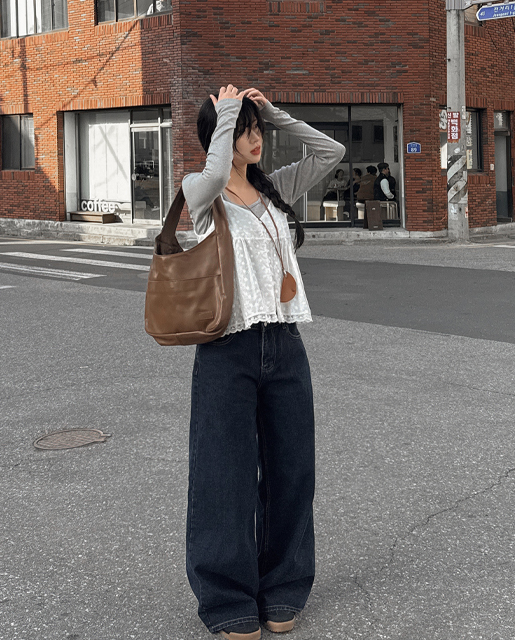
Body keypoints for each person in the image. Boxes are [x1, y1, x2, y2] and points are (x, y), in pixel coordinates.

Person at [181, 84, 345, 640]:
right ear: (221, 134)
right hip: (227, 347)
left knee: (292, 469)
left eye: (258, 130)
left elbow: (330, 152)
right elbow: (212, 174)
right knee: (223, 474)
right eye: (245, 131)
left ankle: (284, 585)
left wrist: (274, 113)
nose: (257, 139)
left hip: (285, 342)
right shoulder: (201, 192)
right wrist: (227, 111)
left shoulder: (274, 188)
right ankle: (227, 597)